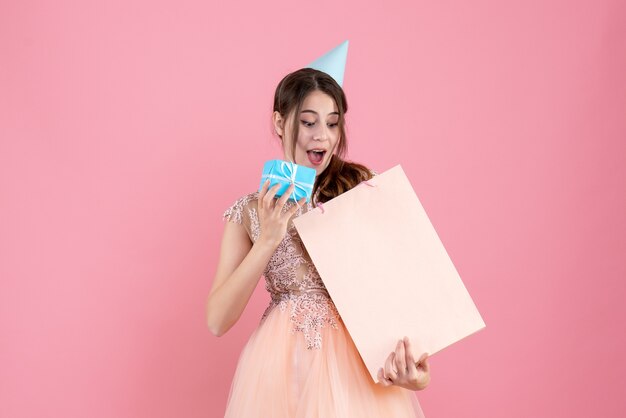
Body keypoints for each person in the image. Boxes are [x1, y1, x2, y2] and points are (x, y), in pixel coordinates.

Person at [207, 67, 431, 417]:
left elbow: (395, 286)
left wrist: (414, 372)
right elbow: (217, 320)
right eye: (309, 122)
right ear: (280, 123)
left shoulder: (360, 189)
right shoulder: (251, 210)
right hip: (279, 374)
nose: (322, 137)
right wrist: (267, 241)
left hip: (354, 378)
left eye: (332, 123)